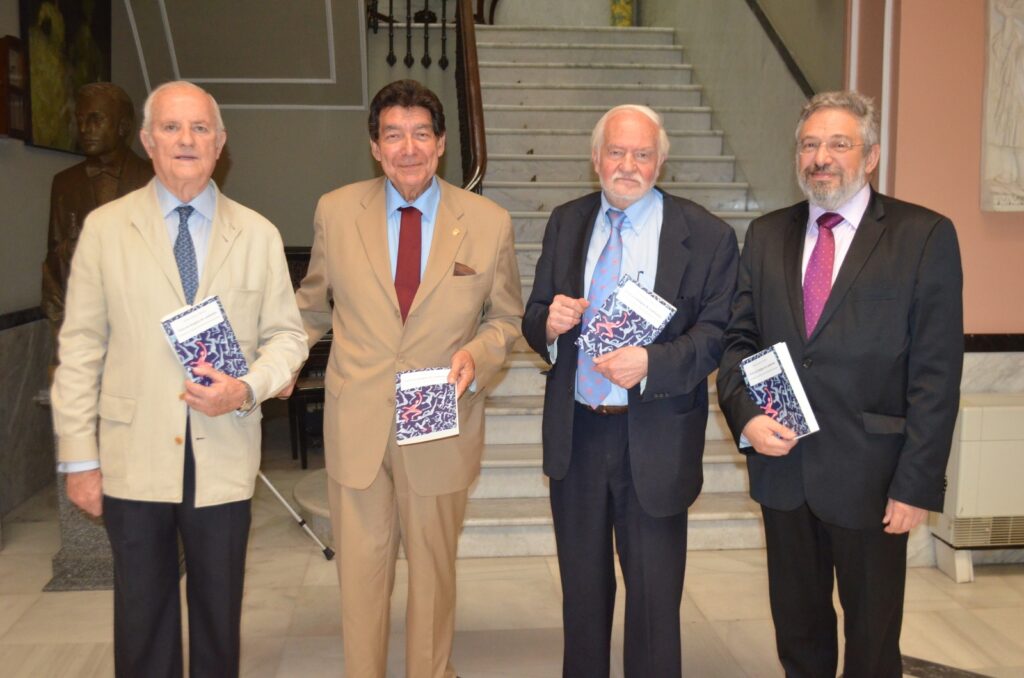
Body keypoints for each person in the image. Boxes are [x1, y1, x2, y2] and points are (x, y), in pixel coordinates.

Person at [51, 80, 309, 678]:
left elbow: (288, 337)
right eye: (171, 127)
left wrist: (248, 387)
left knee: (219, 617)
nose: (186, 139)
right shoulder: (106, 230)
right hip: (133, 452)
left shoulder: (258, 234)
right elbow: (81, 348)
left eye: (200, 128)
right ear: (148, 140)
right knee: (143, 617)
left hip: (224, 450)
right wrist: (79, 459)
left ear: (220, 143)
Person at [716, 90, 963, 678]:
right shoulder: (766, 234)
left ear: (870, 156)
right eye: (809, 144)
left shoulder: (922, 235)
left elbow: (935, 374)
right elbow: (738, 342)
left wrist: (916, 484)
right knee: (798, 634)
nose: (820, 157)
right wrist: (747, 416)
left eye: (838, 144)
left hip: (873, 480)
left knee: (873, 644)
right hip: (785, 472)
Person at [294, 79, 523, 678]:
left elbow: (507, 319)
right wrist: (276, 363)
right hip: (358, 420)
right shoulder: (336, 211)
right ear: (375, 146)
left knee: (433, 573)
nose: (409, 148)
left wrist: (479, 353)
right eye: (393, 135)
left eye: (421, 134)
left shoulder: (489, 222)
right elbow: (311, 309)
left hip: (440, 420)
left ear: (441, 143)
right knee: (361, 576)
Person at [522, 104, 739, 677]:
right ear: (595, 158)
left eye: (642, 154)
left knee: (653, 606)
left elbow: (716, 336)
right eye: (616, 152)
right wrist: (548, 324)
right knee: (582, 599)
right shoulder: (566, 222)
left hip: (656, 438)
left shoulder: (708, 236)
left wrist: (651, 362)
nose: (628, 165)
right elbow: (534, 314)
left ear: (660, 161)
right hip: (578, 434)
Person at [42, 82, 154, 370]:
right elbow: (54, 263)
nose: (84, 129)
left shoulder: (155, 180)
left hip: (144, 339)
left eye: (95, 119)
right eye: (80, 120)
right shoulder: (65, 183)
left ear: (123, 126)